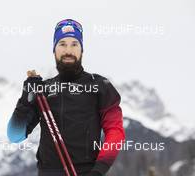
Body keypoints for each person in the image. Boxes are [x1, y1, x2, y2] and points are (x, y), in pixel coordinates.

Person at [7, 19, 125, 176]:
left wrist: (99, 170)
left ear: (81, 50)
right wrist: (26, 98)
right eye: (62, 44)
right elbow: (14, 135)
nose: (68, 50)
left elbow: (115, 132)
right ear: (54, 49)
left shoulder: (100, 85)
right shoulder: (43, 90)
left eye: (74, 44)